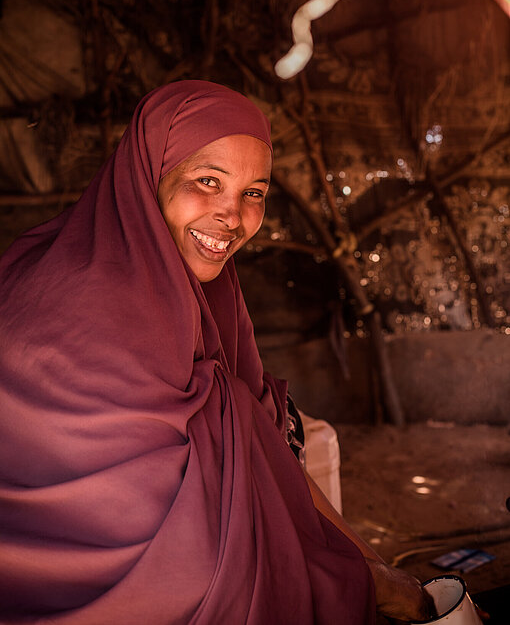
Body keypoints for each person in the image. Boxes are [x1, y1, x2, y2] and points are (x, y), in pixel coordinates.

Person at [0, 81, 433, 624]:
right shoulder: (85, 307)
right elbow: (176, 557)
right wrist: (374, 584)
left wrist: (379, 570)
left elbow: (256, 435)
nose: (232, 217)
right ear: (149, 176)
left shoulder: (198, 289)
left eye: (253, 192)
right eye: (207, 181)